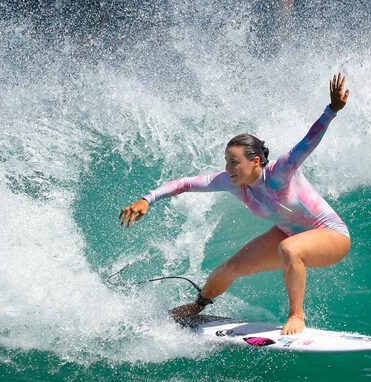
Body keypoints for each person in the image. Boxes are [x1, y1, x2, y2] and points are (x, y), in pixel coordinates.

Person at [120, 73, 351, 335]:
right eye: (226, 161)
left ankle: (297, 315)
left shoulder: (281, 171)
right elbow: (185, 183)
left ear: (255, 161)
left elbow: (309, 141)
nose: (228, 168)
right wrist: (147, 199)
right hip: (289, 232)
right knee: (229, 268)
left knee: (289, 248)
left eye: (234, 162)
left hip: (331, 235)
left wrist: (331, 110)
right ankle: (197, 306)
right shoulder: (232, 183)